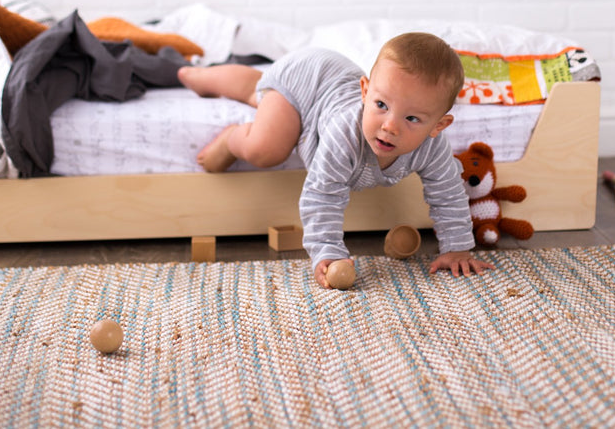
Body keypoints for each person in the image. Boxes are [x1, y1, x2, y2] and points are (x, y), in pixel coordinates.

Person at [177, 32, 495, 289]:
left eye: (412, 118)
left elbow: (448, 193)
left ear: (438, 126)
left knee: (256, 93)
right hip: (305, 80)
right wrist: (326, 251)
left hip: (326, 83)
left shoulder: (433, 147)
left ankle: (224, 80)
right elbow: (323, 194)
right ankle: (230, 131)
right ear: (365, 92)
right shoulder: (346, 133)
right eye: (381, 104)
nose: (390, 125)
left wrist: (457, 247)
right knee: (267, 146)